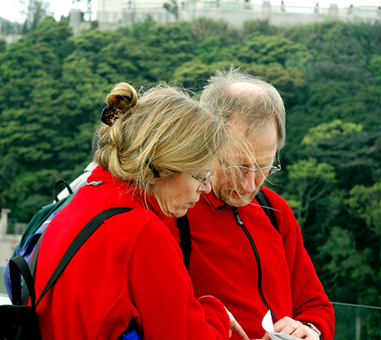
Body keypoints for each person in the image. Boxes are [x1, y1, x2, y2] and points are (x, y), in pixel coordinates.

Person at [33, 82, 248, 340]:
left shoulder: (82, 200)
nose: (205, 189)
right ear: (163, 167)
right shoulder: (142, 232)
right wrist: (216, 312)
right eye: (201, 177)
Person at [165, 69, 336, 340]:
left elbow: (316, 306)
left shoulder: (275, 211)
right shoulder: (174, 210)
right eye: (239, 167)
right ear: (206, 142)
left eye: (264, 169)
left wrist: (309, 330)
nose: (248, 185)